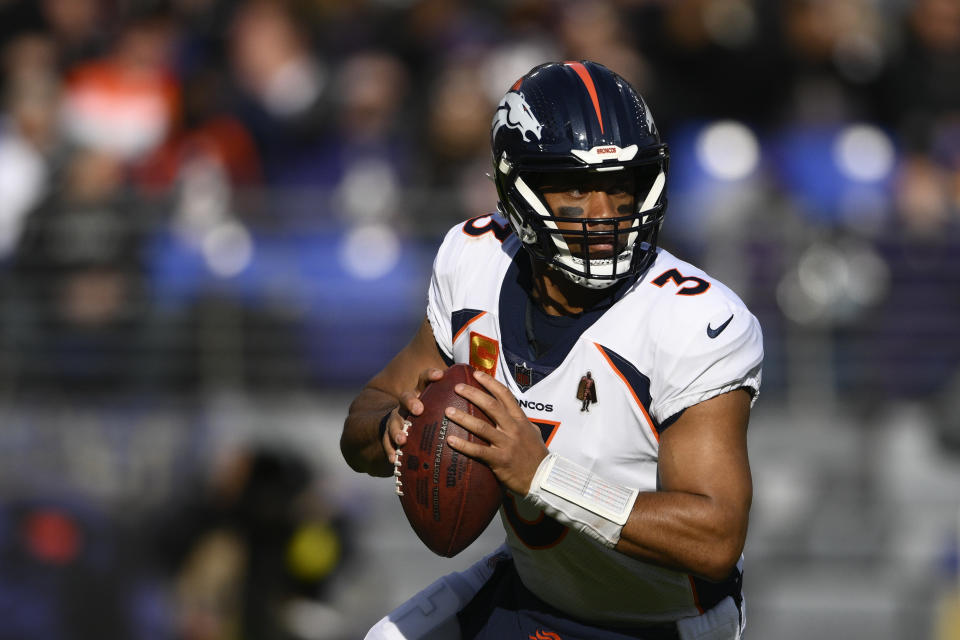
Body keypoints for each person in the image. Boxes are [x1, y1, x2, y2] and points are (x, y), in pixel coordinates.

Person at [340, 60, 763, 640]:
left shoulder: (692, 319)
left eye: (621, 186)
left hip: (657, 623)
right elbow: (365, 419)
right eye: (576, 186)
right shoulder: (475, 262)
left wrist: (542, 476)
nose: (605, 213)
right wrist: (391, 427)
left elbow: (715, 537)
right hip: (532, 591)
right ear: (517, 188)